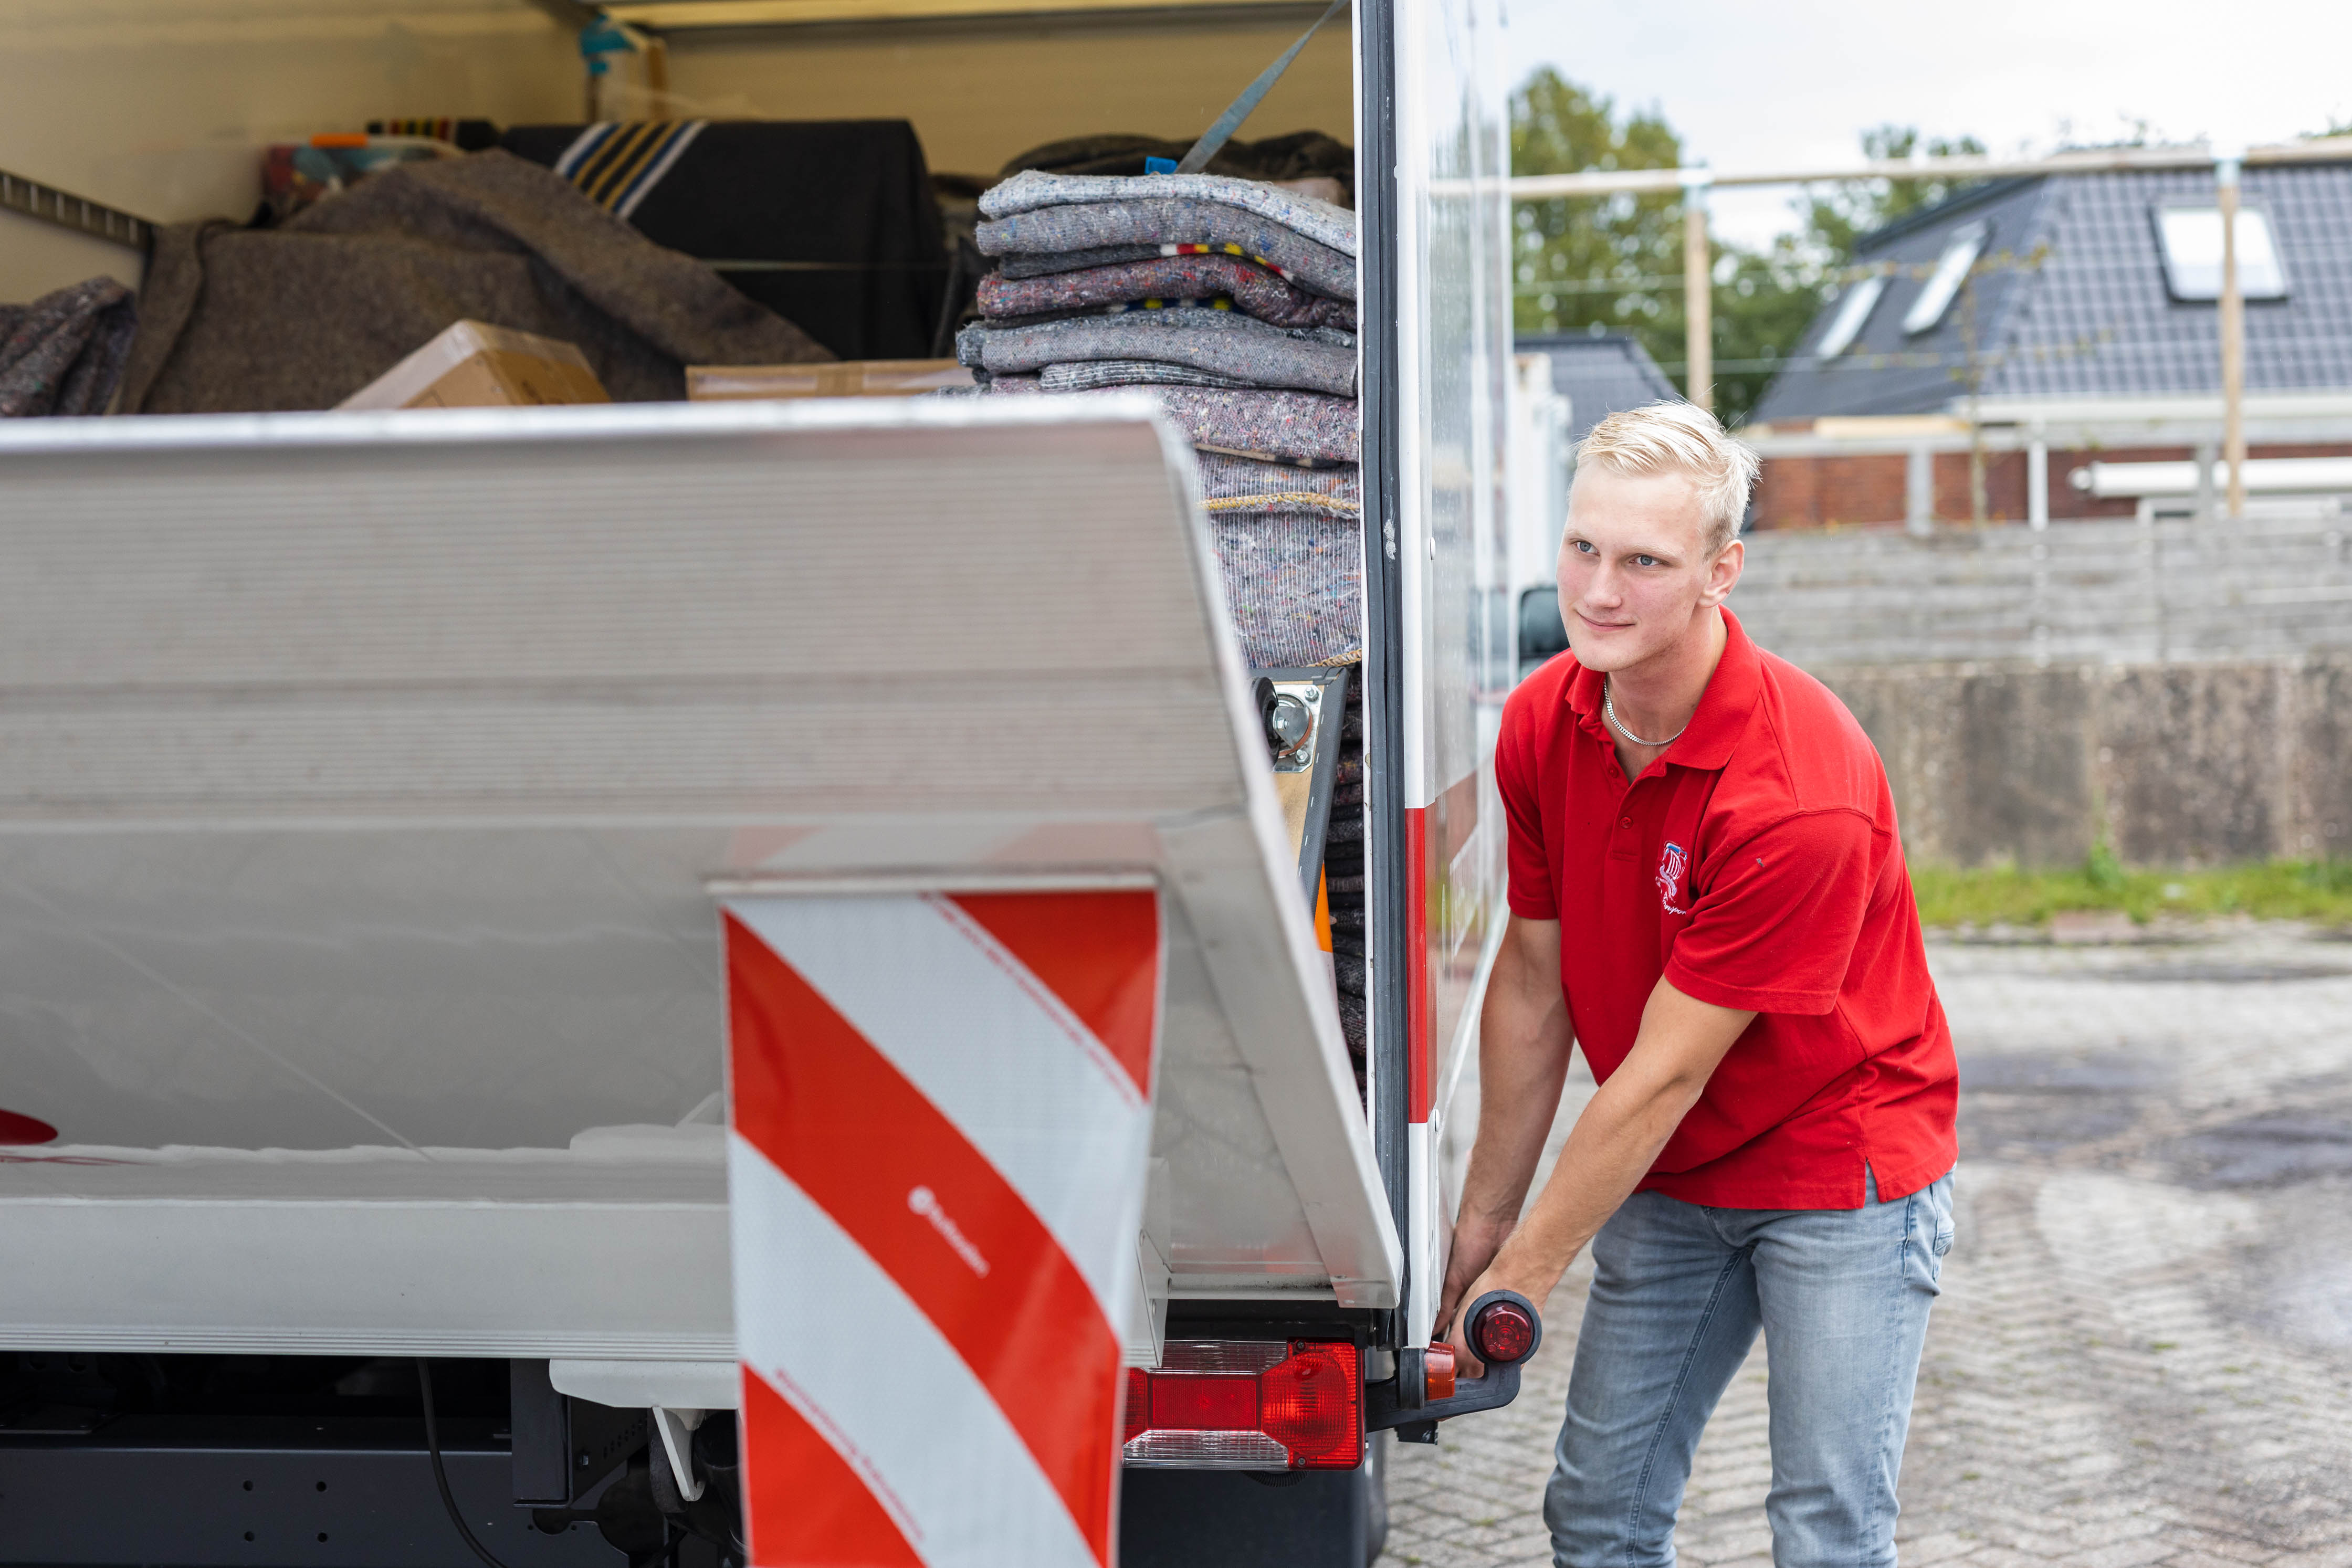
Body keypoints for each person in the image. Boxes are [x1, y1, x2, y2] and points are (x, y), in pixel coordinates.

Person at [1438, 401, 1959, 1568]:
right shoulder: (1542, 721)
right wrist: (1482, 1226)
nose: (1598, 592)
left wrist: (1525, 1274)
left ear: (1721, 571)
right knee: (1596, 1517)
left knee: (1823, 1531)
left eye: (1644, 563)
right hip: (1671, 1169)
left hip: (1836, 1169)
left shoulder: (1798, 795)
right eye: (1583, 547)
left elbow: (1666, 1074)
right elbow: (1532, 986)